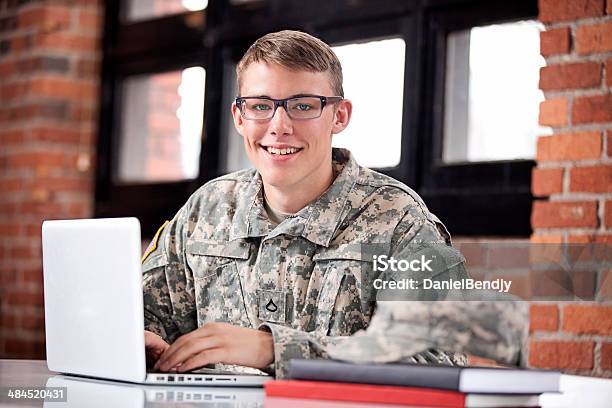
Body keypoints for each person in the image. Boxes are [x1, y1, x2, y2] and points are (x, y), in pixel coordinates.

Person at [142, 30, 525, 378]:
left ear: (338, 116)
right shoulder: (205, 209)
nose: (279, 125)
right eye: (260, 106)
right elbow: (145, 314)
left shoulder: (401, 222)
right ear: (239, 117)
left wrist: (275, 350)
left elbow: (436, 359)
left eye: (303, 106)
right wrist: (137, 340)